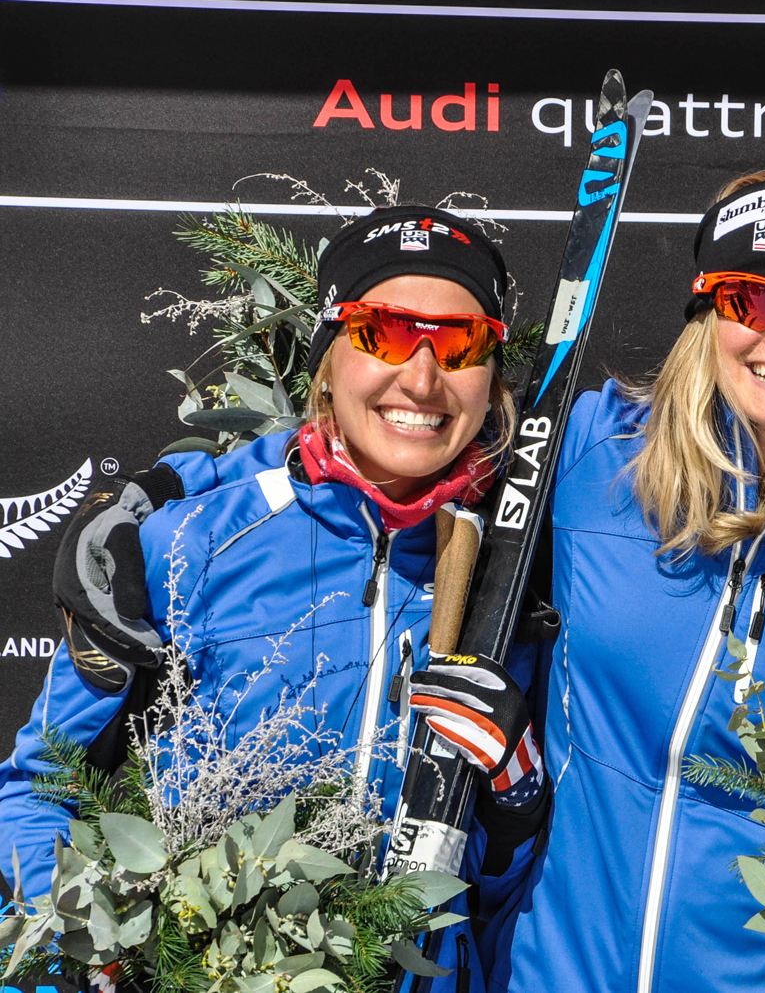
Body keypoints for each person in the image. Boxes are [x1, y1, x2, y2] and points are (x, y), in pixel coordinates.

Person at [0, 205, 544, 990]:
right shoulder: (188, 541)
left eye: (461, 343)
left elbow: (502, 894)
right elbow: (36, 789)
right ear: (329, 354)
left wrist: (515, 799)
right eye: (382, 331)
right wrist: (104, 943)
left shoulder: (516, 573)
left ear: (492, 373)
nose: (423, 377)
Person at [476, 171, 765, 992]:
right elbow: (396, 455)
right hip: (556, 968)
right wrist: (176, 490)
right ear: (707, 314)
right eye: (751, 300)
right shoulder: (590, 450)